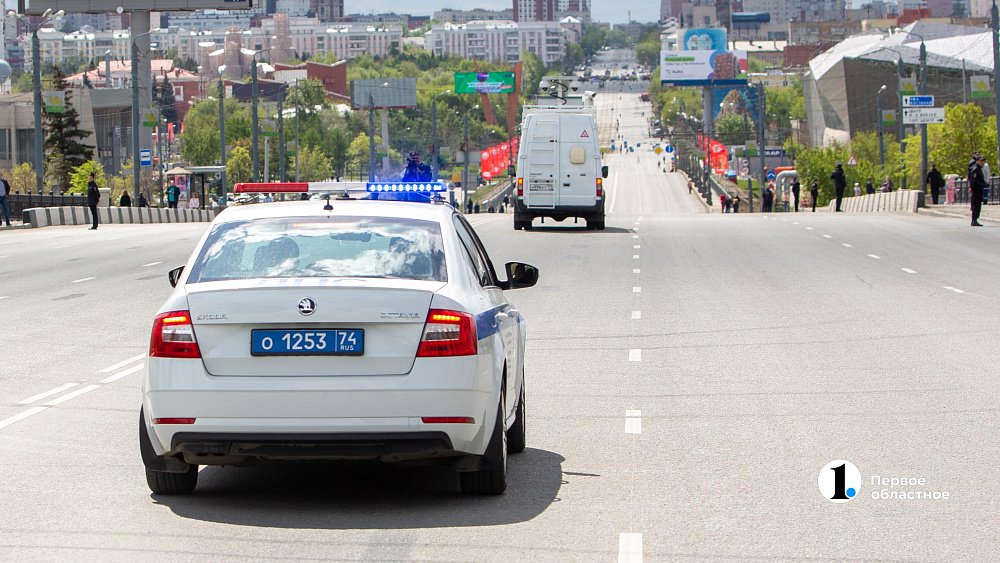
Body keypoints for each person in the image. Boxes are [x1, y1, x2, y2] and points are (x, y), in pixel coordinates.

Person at [970, 154, 987, 226]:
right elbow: (974, 182)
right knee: (976, 206)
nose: (982, 162)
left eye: (983, 161)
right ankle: (974, 220)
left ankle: (975, 220)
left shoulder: (979, 169)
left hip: (979, 190)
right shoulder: (976, 170)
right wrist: (981, 184)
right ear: (977, 161)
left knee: (978, 205)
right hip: (976, 191)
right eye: (981, 161)